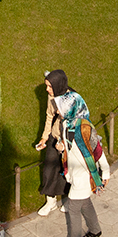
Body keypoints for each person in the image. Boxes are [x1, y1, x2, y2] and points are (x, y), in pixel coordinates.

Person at [57, 84, 110, 237]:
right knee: (84, 203)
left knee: (73, 207)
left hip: (84, 175)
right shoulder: (66, 124)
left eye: (61, 108)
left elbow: (97, 151)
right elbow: (69, 148)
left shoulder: (85, 128)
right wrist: (61, 147)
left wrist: (106, 173)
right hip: (74, 173)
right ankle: (95, 229)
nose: (58, 111)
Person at [33, 71, 73, 217]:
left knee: (67, 170)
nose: (47, 90)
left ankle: (68, 198)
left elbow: (76, 125)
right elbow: (50, 116)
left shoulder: (72, 100)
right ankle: (50, 201)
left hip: (69, 140)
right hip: (55, 136)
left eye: (49, 86)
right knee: (49, 168)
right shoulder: (51, 96)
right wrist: (45, 137)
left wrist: (64, 143)